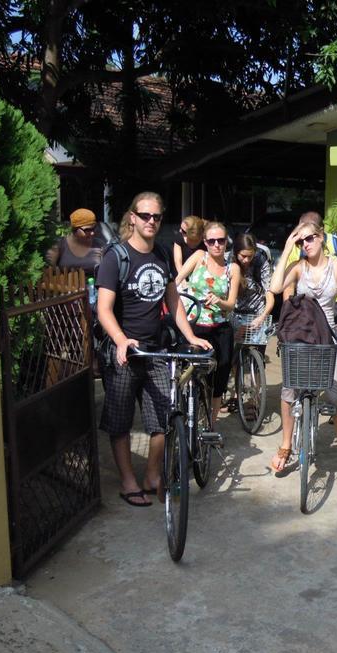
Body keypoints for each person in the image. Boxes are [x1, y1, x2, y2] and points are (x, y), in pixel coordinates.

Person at [96, 192, 211, 508]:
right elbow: (104, 309)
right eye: (145, 215)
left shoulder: (161, 254)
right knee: (120, 422)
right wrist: (121, 340)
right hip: (124, 353)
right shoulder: (115, 257)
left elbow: (173, 301)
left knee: (162, 418)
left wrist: (190, 335)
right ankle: (128, 481)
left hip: (156, 351)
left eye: (156, 217)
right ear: (132, 217)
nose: (151, 221)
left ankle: (151, 475)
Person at [269, 221, 337, 476]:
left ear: (321, 237)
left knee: (336, 395)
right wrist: (286, 248)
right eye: (302, 241)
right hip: (301, 335)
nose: (307, 244)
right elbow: (275, 287)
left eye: (310, 238)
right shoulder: (298, 267)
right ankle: (285, 446)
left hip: (327, 334)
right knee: (289, 389)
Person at [176, 221, 240, 424]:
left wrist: (219, 301)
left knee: (220, 374)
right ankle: (187, 415)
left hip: (220, 327)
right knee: (190, 372)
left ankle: (212, 423)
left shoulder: (233, 268)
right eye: (211, 241)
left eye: (220, 240)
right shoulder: (198, 257)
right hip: (195, 325)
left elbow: (231, 304)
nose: (216, 245)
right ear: (205, 242)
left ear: (226, 241)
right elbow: (176, 280)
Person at [279, 211, 337, 325]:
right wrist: (290, 315)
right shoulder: (297, 248)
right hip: (308, 308)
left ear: (320, 232)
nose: (304, 243)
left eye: (308, 237)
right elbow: (288, 287)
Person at [231, 232, 274, 328]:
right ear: (236, 252)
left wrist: (262, 317)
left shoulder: (261, 262)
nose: (246, 260)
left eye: (250, 256)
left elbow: (269, 294)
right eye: (243, 256)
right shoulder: (228, 262)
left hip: (257, 313)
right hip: (233, 314)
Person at [47, 208, 105, 277]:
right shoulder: (60, 245)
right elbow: (49, 272)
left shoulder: (100, 245)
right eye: (87, 230)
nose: (92, 233)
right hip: (65, 286)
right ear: (75, 229)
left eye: (93, 228)